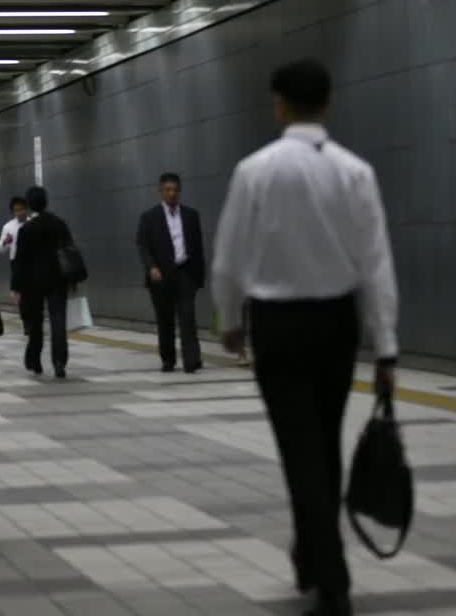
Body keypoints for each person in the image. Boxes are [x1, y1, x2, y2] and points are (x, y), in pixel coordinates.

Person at [212, 59, 398, 616]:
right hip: (337, 324)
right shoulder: (355, 172)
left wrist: (228, 320)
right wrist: (385, 346)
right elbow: (376, 264)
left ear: (279, 105)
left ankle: (329, 573)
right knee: (323, 442)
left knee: (299, 450)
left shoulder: (255, 170)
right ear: (329, 102)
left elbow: (229, 257)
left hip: (278, 326)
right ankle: (311, 553)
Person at [136, 172, 206, 373]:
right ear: (160, 192)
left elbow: (198, 246)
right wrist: (151, 267)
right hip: (161, 275)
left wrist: (198, 276)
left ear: (180, 191)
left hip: (185, 273)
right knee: (165, 320)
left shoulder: (191, 215)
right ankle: (168, 359)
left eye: (175, 190)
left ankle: (191, 360)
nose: (171, 194)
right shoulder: (149, 217)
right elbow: (142, 245)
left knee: (188, 318)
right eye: (167, 190)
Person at [11, 187, 74, 380]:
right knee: (58, 320)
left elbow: (19, 260)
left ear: (29, 204)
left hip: (32, 283)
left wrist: (16, 287)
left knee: (35, 322)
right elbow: (69, 251)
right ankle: (59, 362)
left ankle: (35, 360)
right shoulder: (59, 224)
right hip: (58, 280)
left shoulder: (26, 229)